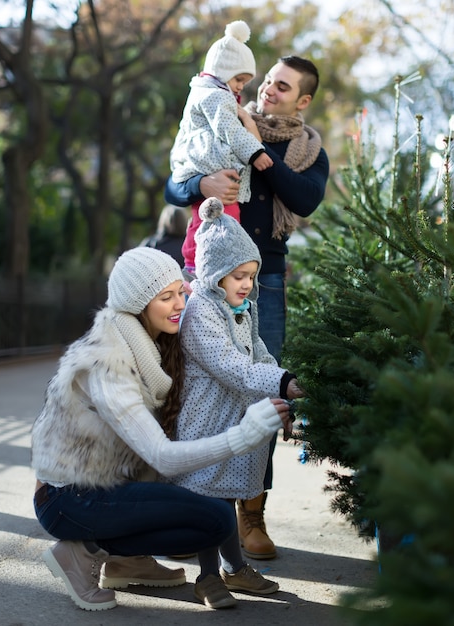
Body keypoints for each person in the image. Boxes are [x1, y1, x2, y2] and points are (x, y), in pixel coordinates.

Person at [31, 246, 292, 612]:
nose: (180, 305)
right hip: (69, 499)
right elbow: (161, 456)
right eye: (166, 297)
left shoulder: (152, 347)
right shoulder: (109, 363)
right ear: (138, 304)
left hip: (112, 483)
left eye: (180, 293)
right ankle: (81, 552)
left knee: (197, 507)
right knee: (213, 519)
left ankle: (126, 560)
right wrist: (243, 435)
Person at [165, 55, 330, 559]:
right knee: (191, 383)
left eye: (282, 87)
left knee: (261, 384)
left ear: (302, 100)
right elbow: (173, 181)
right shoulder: (219, 118)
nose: (268, 91)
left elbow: (304, 200)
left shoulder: (307, 150)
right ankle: (182, 499)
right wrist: (203, 185)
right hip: (202, 276)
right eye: (267, 81)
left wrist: (257, 150)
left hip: (266, 283)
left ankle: (251, 516)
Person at [170, 197, 304, 609]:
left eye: (250, 275)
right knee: (210, 499)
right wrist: (280, 381)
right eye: (237, 276)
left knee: (226, 496)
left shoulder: (241, 310)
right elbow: (232, 367)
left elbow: (258, 355)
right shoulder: (201, 313)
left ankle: (234, 567)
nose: (246, 284)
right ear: (213, 276)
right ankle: (208, 576)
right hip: (208, 421)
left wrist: (282, 382)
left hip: (235, 417)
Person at [170, 20, 273, 278]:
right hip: (210, 169)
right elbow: (230, 130)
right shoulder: (215, 95)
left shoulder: (208, 92)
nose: (241, 86)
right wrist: (256, 152)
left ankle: (205, 263)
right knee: (220, 219)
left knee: (210, 217)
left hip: (210, 171)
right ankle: (199, 264)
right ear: (223, 70)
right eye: (239, 79)